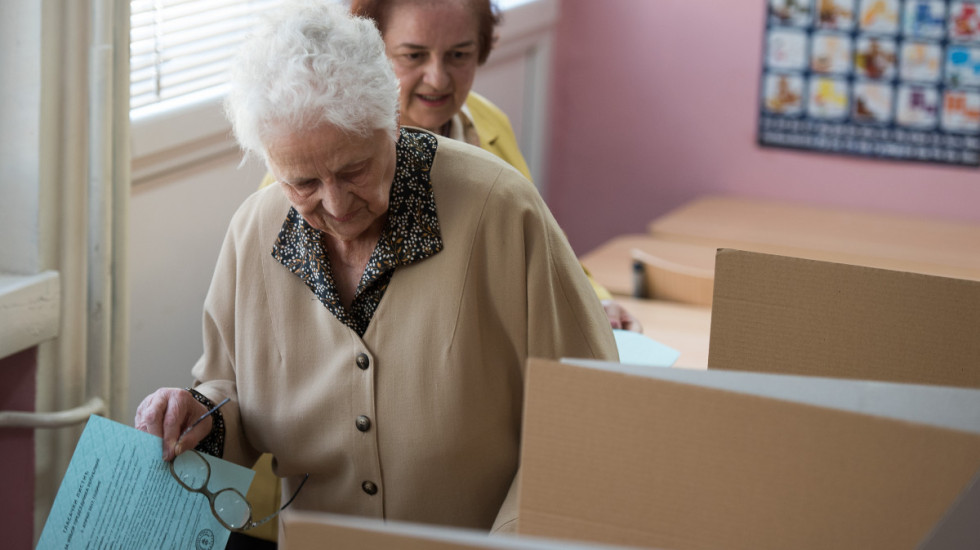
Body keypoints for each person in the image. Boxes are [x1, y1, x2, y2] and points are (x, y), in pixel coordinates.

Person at [134, 0, 617, 542]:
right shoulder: (255, 234)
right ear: (271, 163)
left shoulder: (501, 211)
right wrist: (200, 414)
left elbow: (587, 407)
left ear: (390, 120)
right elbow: (230, 391)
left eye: (354, 169)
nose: (336, 206)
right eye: (303, 183)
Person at [259, 0, 642, 333]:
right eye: (413, 55)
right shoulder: (312, 164)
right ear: (371, 57)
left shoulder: (486, 123)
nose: (438, 79)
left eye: (459, 54)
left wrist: (595, 300)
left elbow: (539, 239)